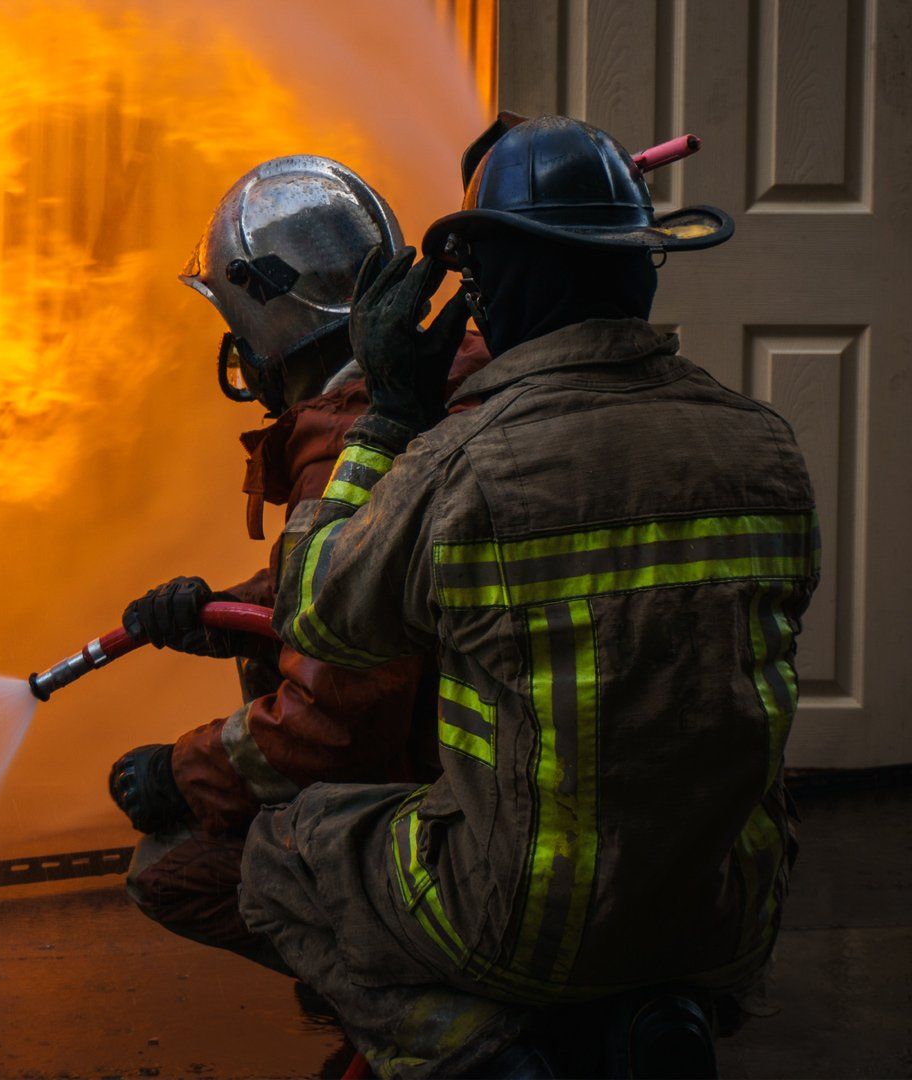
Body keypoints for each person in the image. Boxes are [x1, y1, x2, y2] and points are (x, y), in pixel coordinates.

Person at [240, 114, 816, 1076]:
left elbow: (315, 612)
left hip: (527, 919)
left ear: (496, 290)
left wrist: (387, 417)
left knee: (280, 855)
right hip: (723, 910)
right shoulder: (767, 446)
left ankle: (482, 1052)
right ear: (641, 268)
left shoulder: (466, 466)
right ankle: (658, 1019)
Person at [106, 155, 491, 958]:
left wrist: (183, 772)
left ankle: (415, 1007)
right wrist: (225, 612)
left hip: (446, 808)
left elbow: (339, 719)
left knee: (170, 868)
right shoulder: (467, 372)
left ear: (265, 325)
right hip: (497, 779)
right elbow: (367, 584)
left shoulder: (348, 433)